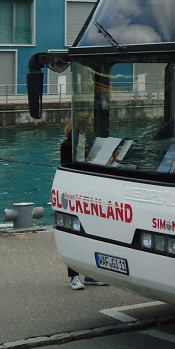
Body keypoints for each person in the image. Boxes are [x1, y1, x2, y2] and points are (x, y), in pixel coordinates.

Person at [59, 122, 106, 291]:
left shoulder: (90, 145)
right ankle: (74, 276)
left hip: (90, 193)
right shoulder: (68, 146)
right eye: (86, 128)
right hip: (74, 194)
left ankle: (91, 274)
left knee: (92, 234)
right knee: (76, 234)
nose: (88, 131)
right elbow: (69, 169)